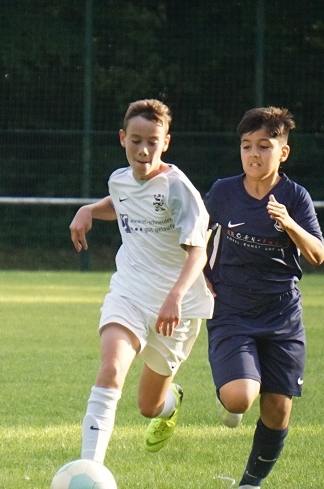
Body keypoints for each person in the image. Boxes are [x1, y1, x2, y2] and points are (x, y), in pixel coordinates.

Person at [68, 99, 213, 465]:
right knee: (111, 369)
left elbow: (198, 252)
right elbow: (123, 202)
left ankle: (171, 402)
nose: (143, 150)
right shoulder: (119, 180)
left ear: (166, 142)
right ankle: (90, 469)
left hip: (176, 309)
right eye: (135, 141)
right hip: (129, 294)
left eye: (152, 141)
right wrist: (88, 210)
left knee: (148, 407)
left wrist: (175, 297)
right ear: (122, 138)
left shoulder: (178, 189)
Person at [203, 107, 324, 489]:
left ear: (283, 152)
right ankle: (231, 395)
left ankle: (249, 486)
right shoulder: (223, 192)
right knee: (240, 397)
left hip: (281, 314)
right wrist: (200, 278)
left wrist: (289, 224)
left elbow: (318, 254)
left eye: (263, 146)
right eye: (246, 146)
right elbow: (195, 239)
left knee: (278, 407)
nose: (253, 154)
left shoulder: (295, 197)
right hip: (232, 309)